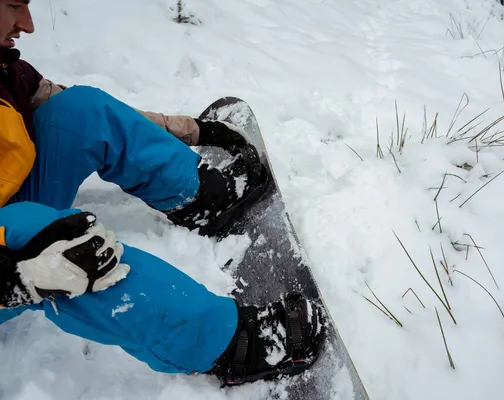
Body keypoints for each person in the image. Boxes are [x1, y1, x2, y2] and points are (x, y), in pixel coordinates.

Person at [0, 0, 323, 386]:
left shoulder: (5, 70)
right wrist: (13, 279)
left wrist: (195, 131)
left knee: (81, 110)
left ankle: (200, 199)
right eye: (13, 5)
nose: (29, 24)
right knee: (58, 249)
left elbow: (85, 113)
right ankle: (225, 343)